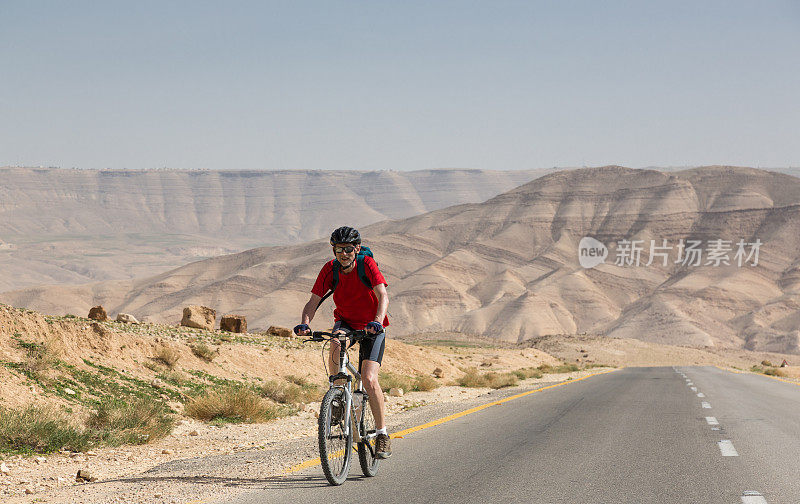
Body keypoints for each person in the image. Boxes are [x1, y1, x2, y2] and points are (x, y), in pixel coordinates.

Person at [294, 226, 392, 459]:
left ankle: (382, 434)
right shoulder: (330, 269)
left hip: (372, 326)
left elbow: (383, 295)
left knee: (368, 378)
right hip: (346, 322)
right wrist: (305, 323)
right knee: (335, 345)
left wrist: (377, 321)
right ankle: (337, 397)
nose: (344, 253)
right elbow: (313, 301)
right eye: (339, 249)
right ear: (334, 250)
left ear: (357, 249)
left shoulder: (366, 264)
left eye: (349, 249)